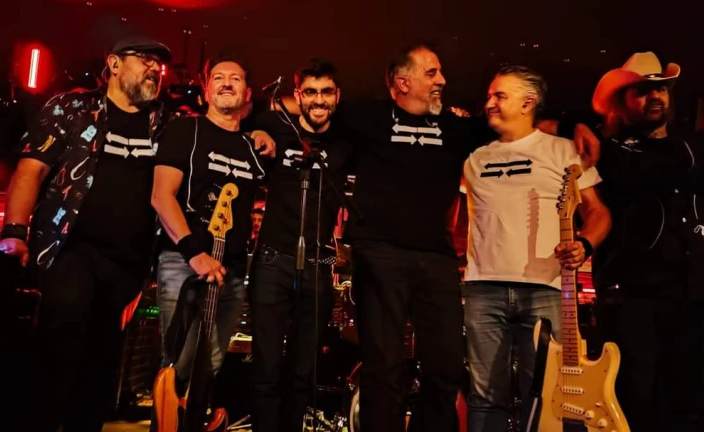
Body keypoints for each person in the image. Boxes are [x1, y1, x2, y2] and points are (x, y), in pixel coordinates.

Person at [337, 43, 601, 432]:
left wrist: (573, 123)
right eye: (432, 72)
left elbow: (527, 131)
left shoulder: (461, 130)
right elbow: (311, 112)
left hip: (460, 265)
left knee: (456, 369)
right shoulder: (370, 118)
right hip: (406, 263)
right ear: (402, 81)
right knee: (393, 368)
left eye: (441, 72)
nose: (443, 80)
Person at [0, 36, 173, 432]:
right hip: (70, 248)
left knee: (101, 360)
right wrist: (15, 232)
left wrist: (261, 133)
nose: (154, 69)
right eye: (144, 59)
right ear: (114, 64)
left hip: (127, 262)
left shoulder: (166, 123)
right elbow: (31, 170)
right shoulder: (71, 108)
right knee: (62, 337)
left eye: (157, 64)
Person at [461, 65, 611, 432]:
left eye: (500, 96)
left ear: (528, 102)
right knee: (484, 395)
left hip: (546, 288)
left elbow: (598, 213)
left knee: (549, 392)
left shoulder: (564, 151)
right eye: (489, 96)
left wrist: (584, 244)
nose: (489, 103)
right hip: (483, 287)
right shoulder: (474, 157)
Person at [590, 52, 704, 432]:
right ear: (622, 101)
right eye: (642, 91)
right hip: (634, 296)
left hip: (695, 293)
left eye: (661, 89)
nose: (655, 97)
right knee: (633, 400)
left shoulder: (692, 147)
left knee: (688, 401)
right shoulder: (611, 150)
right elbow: (646, 176)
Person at [150, 53, 272, 412]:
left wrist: (262, 129)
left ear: (247, 94)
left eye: (235, 78)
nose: (226, 83)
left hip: (230, 270)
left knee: (211, 367)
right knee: (177, 367)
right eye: (218, 77)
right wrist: (194, 254)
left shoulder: (253, 148)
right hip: (184, 262)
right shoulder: (185, 130)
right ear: (205, 92)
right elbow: (161, 196)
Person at [249, 58, 353, 432]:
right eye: (310, 92)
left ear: (337, 95)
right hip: (272, 260)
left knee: (303, 370)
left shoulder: (346, 142)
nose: (318, 100)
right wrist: (258, 133)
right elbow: (244, 118)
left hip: (317, 264)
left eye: (326, 92)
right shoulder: (277, 128)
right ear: (298, 95)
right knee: (266, 365)